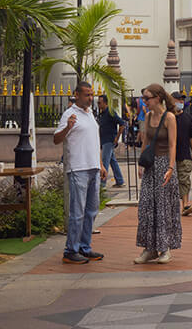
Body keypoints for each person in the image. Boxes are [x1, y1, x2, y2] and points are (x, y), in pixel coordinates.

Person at [54, 80, 107, 263]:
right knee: (77, 212)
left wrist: (100, 163)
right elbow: (56, 139)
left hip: (93, 167)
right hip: (78, 168)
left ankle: (85, 247)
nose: (91, 98)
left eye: (92, 95)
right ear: (77, 95)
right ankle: (70, 250)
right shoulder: (69, 114)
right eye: (87, 95)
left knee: (91, 210)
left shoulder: (90, 114)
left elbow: (95, 141)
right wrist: (68, 127)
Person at [135, 84, 182, 264]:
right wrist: (141, 163)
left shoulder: (169, 117)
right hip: (150, 165)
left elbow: (172, 144)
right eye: (144, 98)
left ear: (158, 98)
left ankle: (165, 248)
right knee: (147, 205)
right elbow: (145, 141)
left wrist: (171, 168)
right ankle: (149, 248)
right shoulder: (147, 117)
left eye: (147, 98)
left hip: (164, 164)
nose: (144, 101)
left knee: (162, 206)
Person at [173, 91, 192, 216]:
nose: (180, 103)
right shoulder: (168, 117)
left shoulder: (188, 118)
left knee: (184, 179)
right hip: (170, 156)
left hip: (184, 154)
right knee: (172, 181)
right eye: (177, 100)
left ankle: (186, 204)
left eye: (182, 100)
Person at [96, 94, 125, 188]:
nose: (98, 105)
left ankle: (102, 184)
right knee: (113, 161)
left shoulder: (110, 112)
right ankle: (120, 180)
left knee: (105, 162)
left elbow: (122, 124)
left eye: (99, 103)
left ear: (105, 103)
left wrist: (117, 138)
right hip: (104, 140)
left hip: (109, 140)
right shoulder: (102, 113)